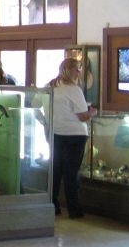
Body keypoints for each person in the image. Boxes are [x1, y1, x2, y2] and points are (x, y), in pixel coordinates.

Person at [47, 57, 97, 219]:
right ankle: (74, 210)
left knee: (55, 171)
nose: (79, 72)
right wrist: (92, 113)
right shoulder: (73, 90)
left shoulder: (51, 86)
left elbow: (37, 102)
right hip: (75, 136)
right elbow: (82, 116)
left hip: (56, 134)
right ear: (70, 70)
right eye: (77, 69)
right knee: (70, 173)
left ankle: (52, 205)